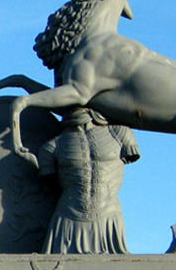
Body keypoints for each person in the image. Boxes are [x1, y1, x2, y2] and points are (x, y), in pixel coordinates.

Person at [33, 108, 139, 254]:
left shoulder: (119, 134)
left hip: (109, 215)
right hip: (69, 215)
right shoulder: (51, 147)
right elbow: (48, 189)